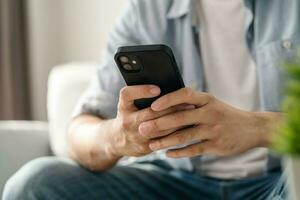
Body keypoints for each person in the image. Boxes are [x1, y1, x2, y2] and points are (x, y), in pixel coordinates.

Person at [3, 0, 299, 199]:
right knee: (33, 183)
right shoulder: (148, 9)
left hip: (278, 181)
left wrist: (259, 127)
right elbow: (78, 134)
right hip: (172, 182)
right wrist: (118, 138)